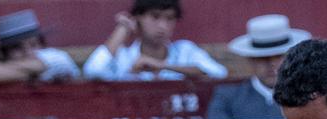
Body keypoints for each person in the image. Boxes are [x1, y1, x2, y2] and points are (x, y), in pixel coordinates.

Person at [83, 0, 227, 81]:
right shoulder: (123, 57)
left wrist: (162, 65)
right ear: (138, 17)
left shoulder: (185, 50)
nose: (163, 26)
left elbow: (219, 73)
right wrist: (123, 28)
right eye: (155, 17)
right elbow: (93, 71)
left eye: (169, 18)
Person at [206, 14, 309, 119]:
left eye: (278, 56)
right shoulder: (228, 98)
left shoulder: (309, 97)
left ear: (292, 57)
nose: (271, 64)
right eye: (262, 58)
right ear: (250, 59)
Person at [0, 9, 79, 86]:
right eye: (17, 48)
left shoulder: (56, 57)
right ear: (4, 53)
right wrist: (33, 73)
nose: (28, 52)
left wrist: (2, 73)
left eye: (33, 45)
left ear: (41, 45)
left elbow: (52, 64)